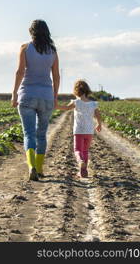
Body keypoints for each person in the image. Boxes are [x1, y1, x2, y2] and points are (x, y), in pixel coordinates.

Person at [11, 20, 60, 181]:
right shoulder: (52, 51)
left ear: (31, 32)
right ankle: (39, 168)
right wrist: (55, 96)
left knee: (29, 134)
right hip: (46, 96)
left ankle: (31, 166)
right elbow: (56, 76)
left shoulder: (25, 48)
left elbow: (19, 72)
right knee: (41, 134)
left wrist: (14, 94)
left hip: (27, 95)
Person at [55, 80, 102, 178]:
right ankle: (83, 172)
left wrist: (56, 106)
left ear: (76, 91)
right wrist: (99, 124)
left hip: (79, 131)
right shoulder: (93, 104)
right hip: (89, 131)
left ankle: (80, 162)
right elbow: (97, 114)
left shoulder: (76, 102)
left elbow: (66, 108)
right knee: (85, 150)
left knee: (77, 150)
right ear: (87, 90)